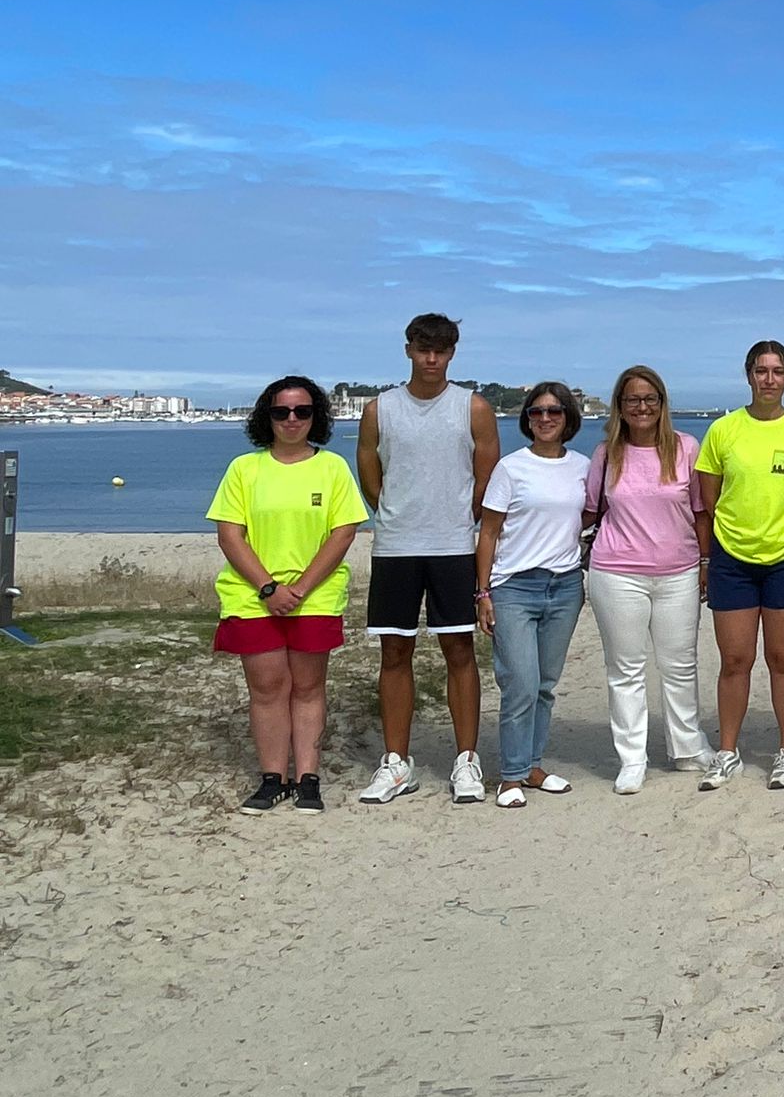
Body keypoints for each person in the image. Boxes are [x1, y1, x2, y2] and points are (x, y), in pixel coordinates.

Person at [357, 313, 500, 806]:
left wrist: (461, 517)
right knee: (395, 652)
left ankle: (466, 761)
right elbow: (370, 473)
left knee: (459, 652)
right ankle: (397, 763)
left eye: (441, 350)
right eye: (423, 349)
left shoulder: (473, 407)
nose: (432, 359)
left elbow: (487, 479)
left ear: (453, 353)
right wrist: (395, 513)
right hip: (396, 546)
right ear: (409, 350)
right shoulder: (380, 409)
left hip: (454, 546)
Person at [208, 378, 367, 814]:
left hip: (313, 598)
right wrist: (268, 588)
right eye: (282, 412)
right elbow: (230, 534)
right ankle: (273, 778)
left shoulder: (332, 468)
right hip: (252, 597)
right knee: (267, 688)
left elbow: (344, 531)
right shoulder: (245, 469)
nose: (292, 420)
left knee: (309, 687)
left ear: (316, 416)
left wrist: (301, 588)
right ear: (268, 417)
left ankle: (308, 779)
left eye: (302, 411)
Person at [696, 341, 784, 791]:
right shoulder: (723, 431)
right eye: (760, 371)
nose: (769, 379)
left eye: (777, 371)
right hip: (732, 559)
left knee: (783, 657)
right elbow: (709, 498)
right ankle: (727, 751)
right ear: (748, 375)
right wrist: (724, 544)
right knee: (735, 659)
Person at [584, 366, 712, 794]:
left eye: (650, 399)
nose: (642, 407)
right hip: (616, 572)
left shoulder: (686, 448)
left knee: (679, 665)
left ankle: (688, 747)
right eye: (632, 400)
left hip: (679, 571)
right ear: (620, 406)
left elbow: (700, 512)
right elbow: (587, 511)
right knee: (626, 669)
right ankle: (632, 758)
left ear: (662, 403)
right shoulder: (606, 454)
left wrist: (707, 562)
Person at [475, 381, 588, 807]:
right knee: (519, 682)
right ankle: (510, 776)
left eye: (554, 411)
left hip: (564, 587)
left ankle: (533, 766)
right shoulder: (511, 468)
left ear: (567, 418)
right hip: (513, 587)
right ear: (526, 419)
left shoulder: (581, 466)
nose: (545, 418)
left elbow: (591, 512)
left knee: (544, 683)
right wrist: (483, 592)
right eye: (536, 412)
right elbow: (488, 533)